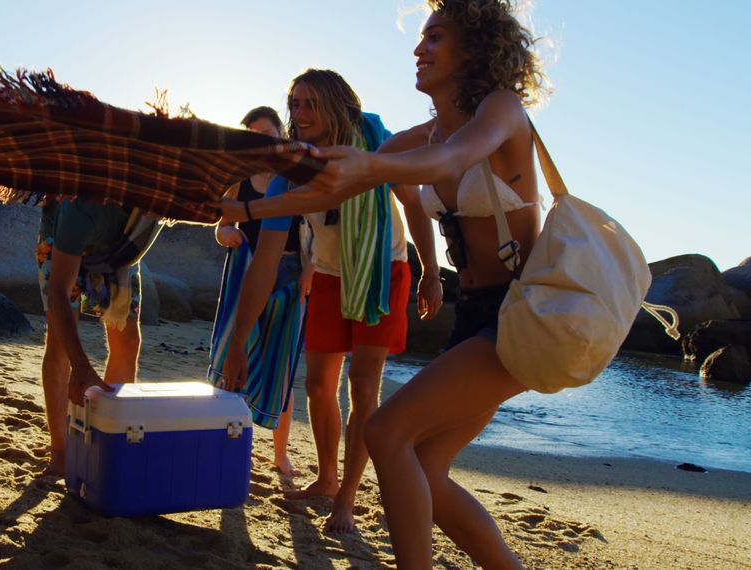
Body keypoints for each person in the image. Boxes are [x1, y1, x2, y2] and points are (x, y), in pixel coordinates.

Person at [226, 1, 548, 565]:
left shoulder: (501, 110)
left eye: (435, 37)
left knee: (388, 431)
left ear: (475, 48)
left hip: (520, 312)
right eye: (421, 38)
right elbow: (325, 193)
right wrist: (240, 210)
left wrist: (371, 166)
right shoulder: (414, 136)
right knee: (425, 466)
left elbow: (454, 159)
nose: (419, 49)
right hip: (476, 314)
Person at [220, 69, 444, 533]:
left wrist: (430, 272)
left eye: (309, 103)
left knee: (363, 386)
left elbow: (414, 203)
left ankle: (347, 497)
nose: (298, 114)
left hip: (385, 270)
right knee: (318, 386)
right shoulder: (291, 174)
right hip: (326, 274)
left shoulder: (376, 143)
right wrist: (239, 339)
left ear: (336, 105)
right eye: (294, 103)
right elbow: (263, 263)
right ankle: (326, 477)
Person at [209, 106, 310, 480]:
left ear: (281, 134)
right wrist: (226, 234)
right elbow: (222, 226)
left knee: (280, 366)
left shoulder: (297, 178)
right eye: (253, 135)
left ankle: (280, 456)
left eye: (267, 133)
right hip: (248, 274)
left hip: (290, 276)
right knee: (237, 357)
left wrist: (311, 272)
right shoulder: (241, 178)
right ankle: (234, 447)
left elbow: (314, 235)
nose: (261, 141)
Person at [36, 196, 161, 476]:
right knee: (59, 344)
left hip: (122, 247)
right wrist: (81, 366)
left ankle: (111, 440)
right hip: (63, 244)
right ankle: (61, 452)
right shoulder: (81, 206)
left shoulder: (158, 198)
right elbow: (58, 291)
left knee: (128, 342)